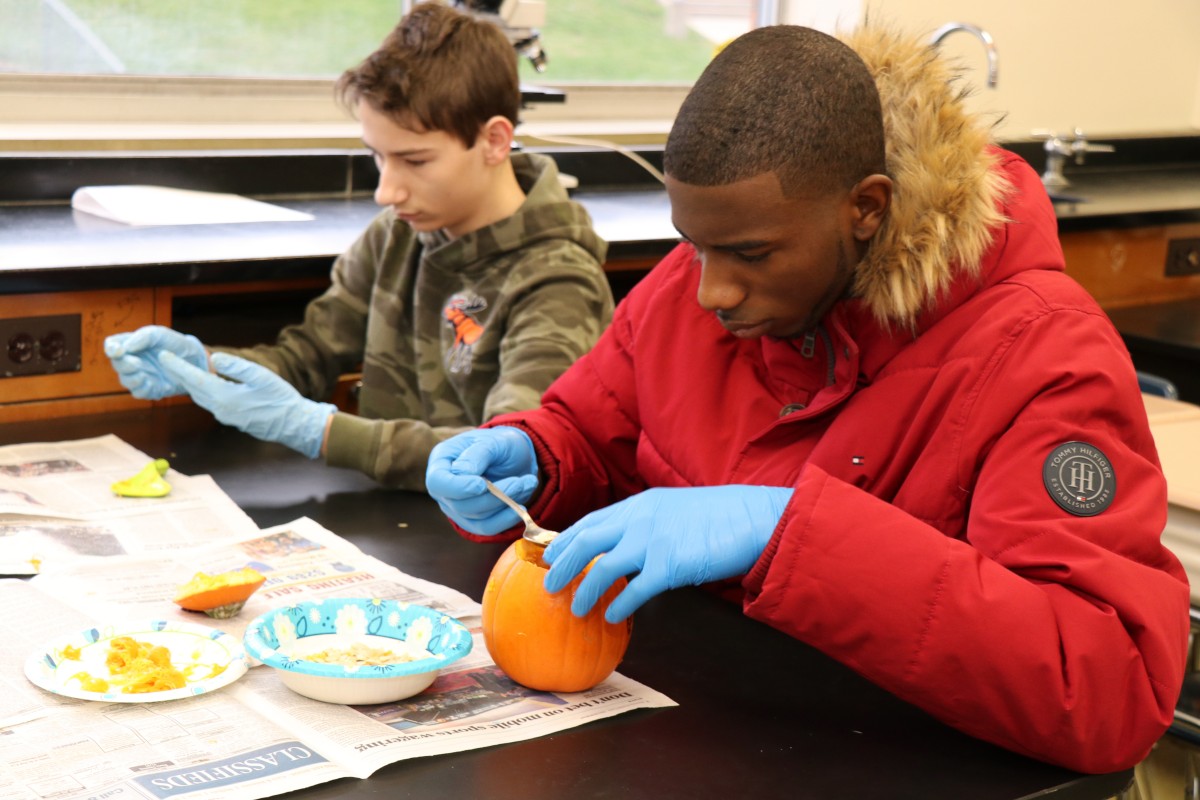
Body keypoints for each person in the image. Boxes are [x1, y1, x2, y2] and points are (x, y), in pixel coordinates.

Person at [425, 24, 1190, 773]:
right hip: (718, 744)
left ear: (866, 208)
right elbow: (596, 427)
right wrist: (536, 453)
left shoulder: (1046, 356)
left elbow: (1104, 689)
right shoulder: (699, 288)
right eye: (693, 244)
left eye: (751, 254)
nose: (710, 290)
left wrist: (790, 532)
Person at [103, 1, 613, 490]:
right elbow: (307, 356)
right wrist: (202, 368)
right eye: (378, 157)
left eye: (415, 161)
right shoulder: (398, 233)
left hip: (491, 547)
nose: (385, 192)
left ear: (496, 141)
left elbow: (509, 457)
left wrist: (323, 432)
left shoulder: (558, 279)